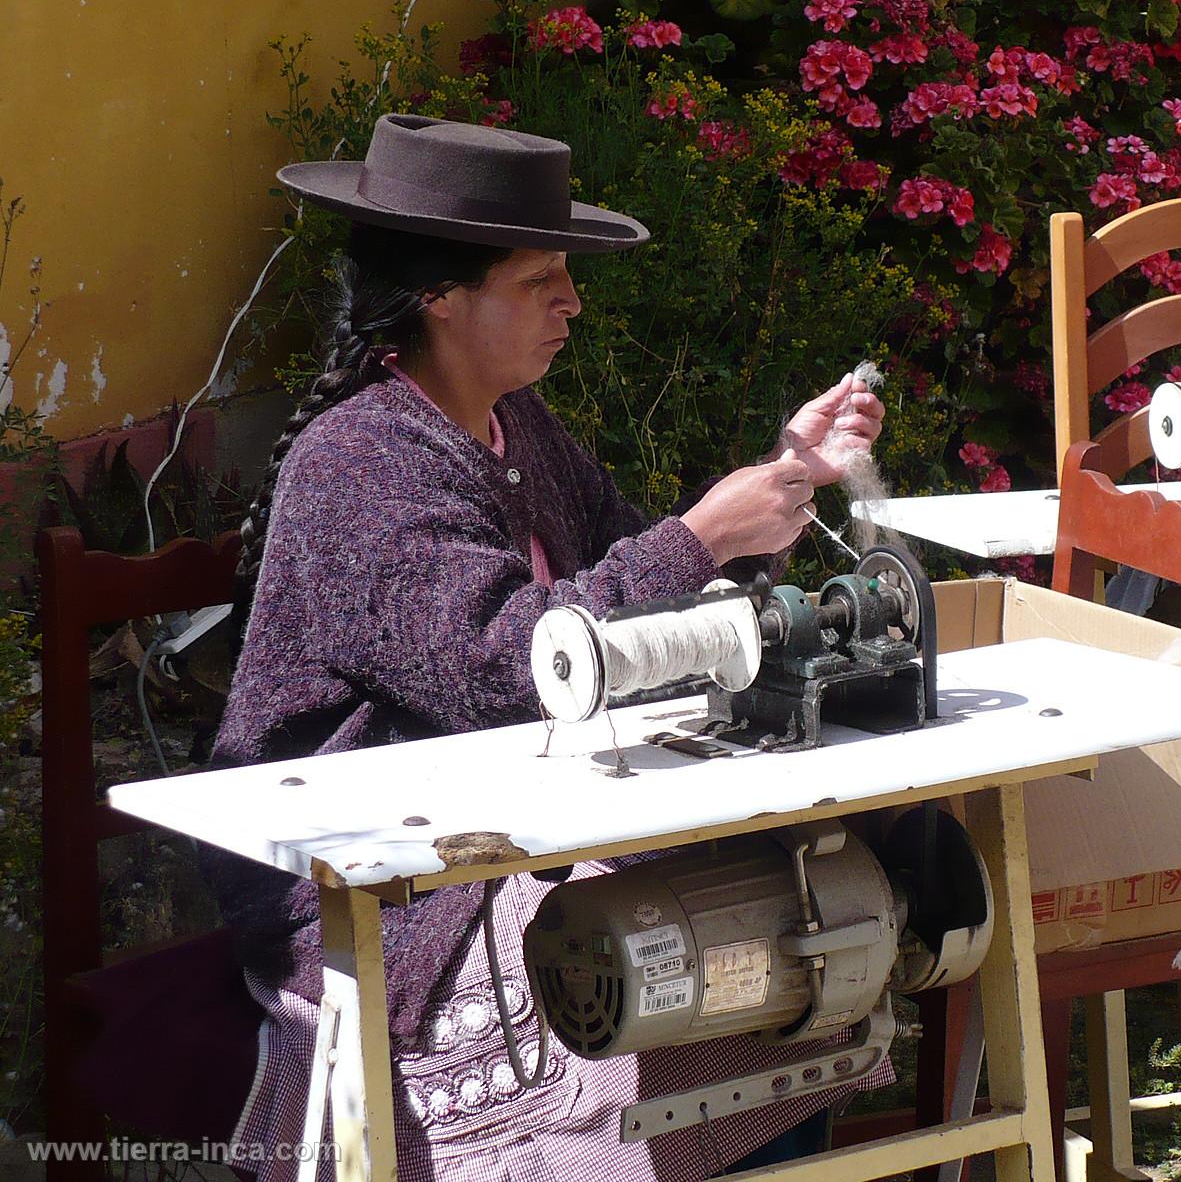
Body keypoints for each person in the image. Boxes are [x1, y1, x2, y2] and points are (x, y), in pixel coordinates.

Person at [206, 114, 886, 1181]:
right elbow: (503, 670)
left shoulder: (518, 428)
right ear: (439, 294)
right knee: (663, 954)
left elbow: (636, 599)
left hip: (515, 815)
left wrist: (778, 483)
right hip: (381, 874)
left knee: (791, 903)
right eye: (540, 280)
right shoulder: (359, 466)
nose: (571, 303)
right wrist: (704, 531)